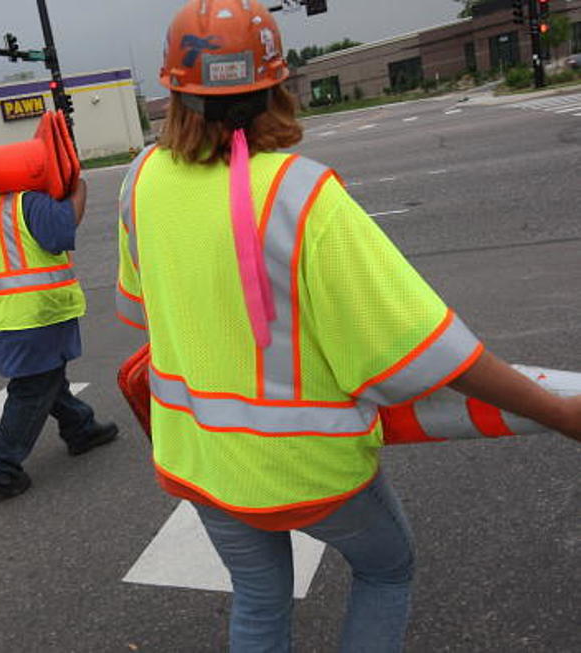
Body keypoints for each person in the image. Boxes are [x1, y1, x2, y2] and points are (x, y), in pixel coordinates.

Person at [114, 1, 581, 651]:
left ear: (174, 93)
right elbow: (432, 355)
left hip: (199, 459)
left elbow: (140, 311)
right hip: (307, 466)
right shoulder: (303, 196)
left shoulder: (140, 180)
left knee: (257, 596)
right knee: (386, 569)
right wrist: (560, 413)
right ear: (279, 86)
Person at [0, 180, 118, 498]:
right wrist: (79, 191)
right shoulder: (28, 202)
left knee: (46, 378)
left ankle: (81, 428)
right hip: (37, 314)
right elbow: (60, 233)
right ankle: (0, 466)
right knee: (33, 389)